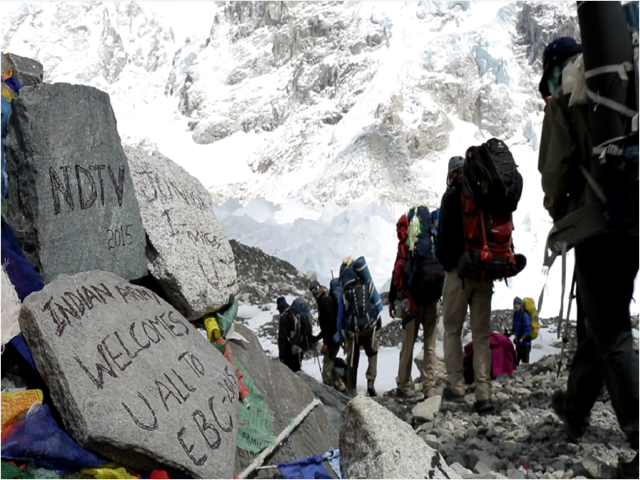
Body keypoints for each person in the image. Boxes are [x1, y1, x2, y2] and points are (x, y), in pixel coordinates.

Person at [538, 34, 640, 479]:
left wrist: (562, 213)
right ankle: (576, 408)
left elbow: (554, 171)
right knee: (599, 321)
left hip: (599, 226)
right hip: (636, 217)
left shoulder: (566, 96)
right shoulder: (624, 80)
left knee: (611, 329)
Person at [436, 155, 494, 413]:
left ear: (451, 175)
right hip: (484, 272)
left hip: (458, 275)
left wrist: (451, 265)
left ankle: (457, 387)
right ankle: (484, 394)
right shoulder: (483, 191)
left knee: (452, 330)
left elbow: (443, 243)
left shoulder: (451, 197)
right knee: (481, 335)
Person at [389, 211, 440, 398]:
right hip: (432, 301)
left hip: (412, 302)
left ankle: (405, 385)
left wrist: (392, 299)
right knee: (430, 345)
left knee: (408, 344)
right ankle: (430, 388)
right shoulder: (433, 240)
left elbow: (397, 271)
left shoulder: (406, 244)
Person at [309, 280, 347, 393]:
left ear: (320, 287)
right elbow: (327, 327)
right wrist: (318, 337)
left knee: (326, 372)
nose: (314, 292)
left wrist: (326, 343)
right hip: (334, 338)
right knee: (329, 365)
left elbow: (330, 325)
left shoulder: (324, 302)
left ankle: (330, 396)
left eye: (315, 289)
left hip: (332, 340)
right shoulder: (324, 301)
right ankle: (341, 388)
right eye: (312, 291)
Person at [276, 296, 301, 373]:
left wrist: (282, 356)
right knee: (297, 371)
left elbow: (282, 338)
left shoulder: (283, 318)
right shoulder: (293, 313)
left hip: (288, 351)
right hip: (297, 349)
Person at [510, 297, 531, 365]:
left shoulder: (524, 315)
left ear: (521, 305)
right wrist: (509, 333)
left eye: (518, 304)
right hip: (519, 345)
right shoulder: (515, 316)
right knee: (515, 364)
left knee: (525, 365)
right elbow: (514, 329)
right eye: (515, 304)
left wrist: (521, 339)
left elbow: (527, 330)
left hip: (525, 344)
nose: (516, 305)